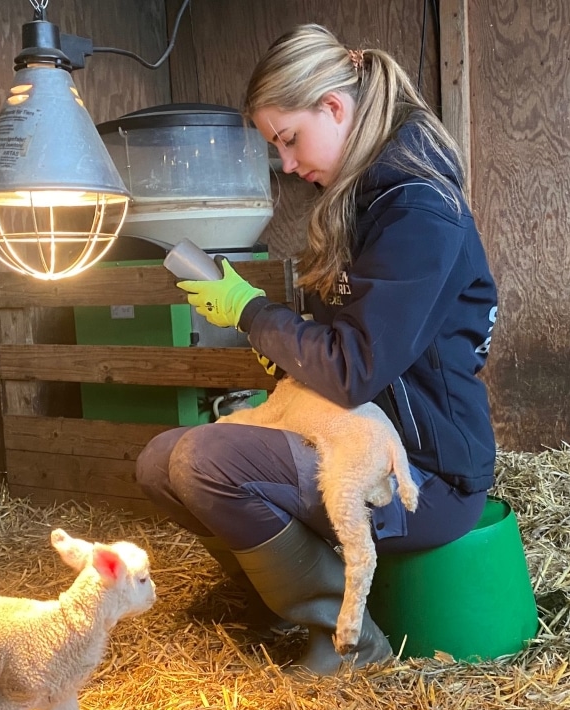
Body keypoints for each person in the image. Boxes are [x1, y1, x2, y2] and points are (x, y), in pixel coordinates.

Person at [135, 23, 499, 676]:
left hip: (422, 472)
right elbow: (339, 351)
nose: (287, 164)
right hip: (352, 433)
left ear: (334, 107)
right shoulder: (360, 204)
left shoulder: (418, 212)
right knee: (159, 462)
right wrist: (277, 347)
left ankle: (348, 638)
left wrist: (251, 312)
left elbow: (351, 368)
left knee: (203, 462)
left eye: (289, 138)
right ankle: (279, 595)